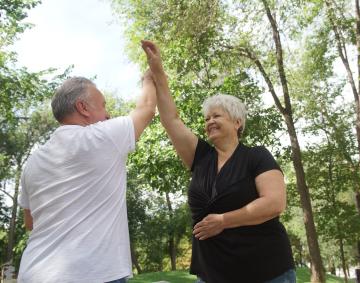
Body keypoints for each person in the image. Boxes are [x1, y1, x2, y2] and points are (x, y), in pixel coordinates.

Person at [143, 40, 296, 283]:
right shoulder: (200, 156)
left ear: (237, 123)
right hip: (213, 273)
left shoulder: (256, 156)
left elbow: (274, 203)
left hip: (265, 270)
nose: (209, 121)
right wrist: (159, 74)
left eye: (216, 116)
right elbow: (170, 119)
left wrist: (223, 221)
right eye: (206, 118)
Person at [17, 41, 157, 283]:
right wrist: (150, 74)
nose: (108, 115)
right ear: (83, 107)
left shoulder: (32, 162)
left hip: (33, 273)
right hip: (93, 273)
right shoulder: (100, 137)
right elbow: (146, 107)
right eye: (103, 106)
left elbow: (30, 223)